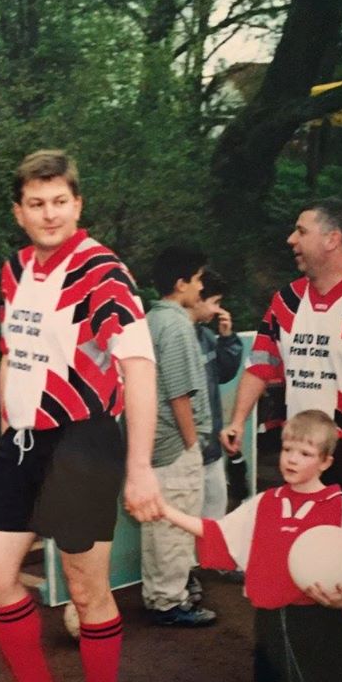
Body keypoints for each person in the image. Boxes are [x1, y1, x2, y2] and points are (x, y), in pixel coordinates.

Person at [0, 149, 161, 682]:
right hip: (25, 440)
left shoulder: (102, 271)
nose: (49, 214)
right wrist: (9, 420)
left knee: (85, 587)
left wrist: (139, 468)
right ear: (19, 212)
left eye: (60, 202)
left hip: (83, 440)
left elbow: (139, 367)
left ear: (77, 205)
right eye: (36, 203)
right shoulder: (15, 269)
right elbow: (11, 351)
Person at [160, 409, 342, 682]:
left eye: (305, 453)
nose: (292, 459)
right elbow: (219, 533)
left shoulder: (339, 508)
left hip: (319, 622)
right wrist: (166, 511)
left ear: (326, 462)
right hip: (272, 618)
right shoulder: (266, 503)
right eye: (287, 449)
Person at [222, 198, 342, 497]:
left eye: (301, 232)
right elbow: (260, 365)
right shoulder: (287, 301)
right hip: (299, 446)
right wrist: (238, 421)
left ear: (332, 239)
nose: (291, 239)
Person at [141, 246, 216, 626]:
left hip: (155, 442)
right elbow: (179, 394)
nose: (201, 287)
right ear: (181, 283)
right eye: (198, 279)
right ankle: (170, 603)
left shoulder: (151, 320)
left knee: (160, 524)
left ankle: (161, 596)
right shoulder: (175, 325)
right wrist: (191, 444)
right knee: (174, 524)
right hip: (174, 444)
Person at [185, 269, 244, 603]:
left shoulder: (206, 336)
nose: (218, 309)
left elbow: (224, 372)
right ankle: (186, 574)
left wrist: (227, 338)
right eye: (215, 302)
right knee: (185, 514)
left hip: (211, 446)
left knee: (215, 505)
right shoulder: (178, 336)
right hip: (185, 445)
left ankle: (219, 560)